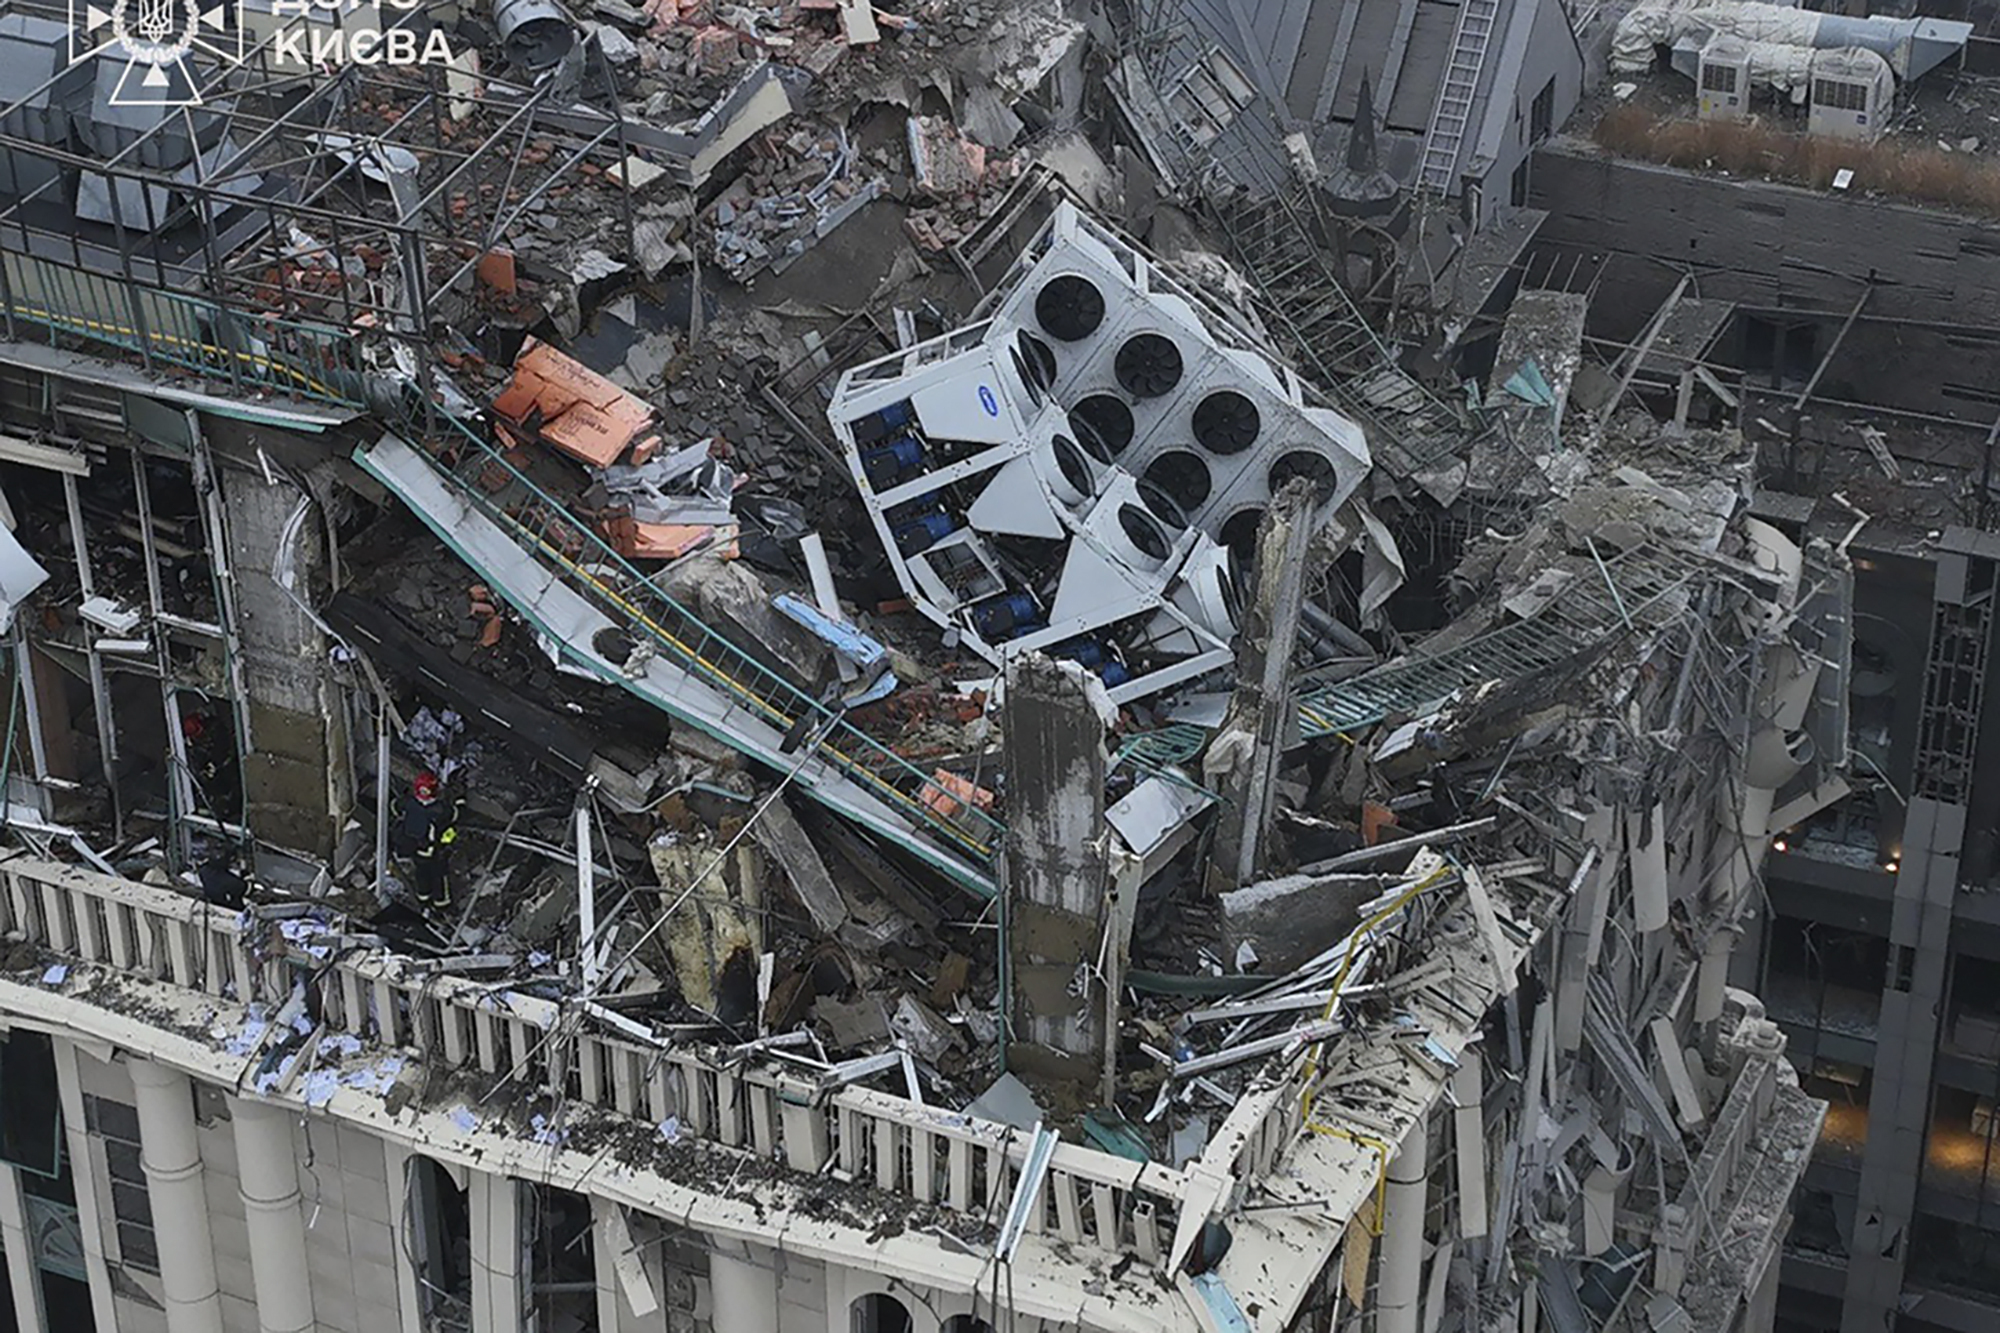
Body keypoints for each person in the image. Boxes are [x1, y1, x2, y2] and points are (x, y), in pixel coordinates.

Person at [394, 771, 463, 911]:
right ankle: (441, 904)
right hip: (434, 852)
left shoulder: (408, 803)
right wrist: (460, 799)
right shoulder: (441, 810)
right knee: (439, 877)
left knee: (421, 875)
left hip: (414, 850)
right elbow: (457, 815)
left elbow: (395, 807)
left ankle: (423, 900)